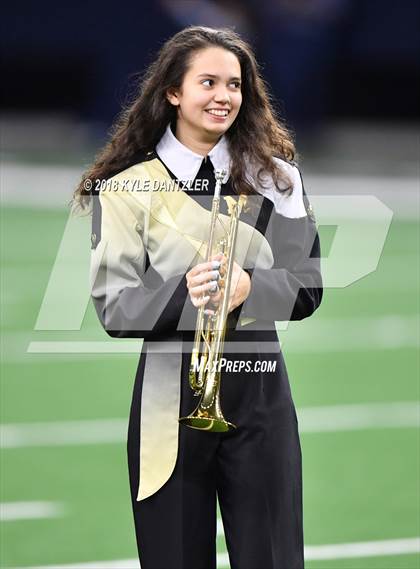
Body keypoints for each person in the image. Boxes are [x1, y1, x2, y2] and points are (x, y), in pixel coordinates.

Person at [73, 25, 323, 569]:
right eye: (207, 82)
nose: (223, 96)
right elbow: (115, 306)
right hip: (168, 408)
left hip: (260, 401)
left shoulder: (276, 176)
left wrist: (251, 288)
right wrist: (185, 294)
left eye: (234, 84)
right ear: (172, 92)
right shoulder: (125, 187)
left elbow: (308, 285)